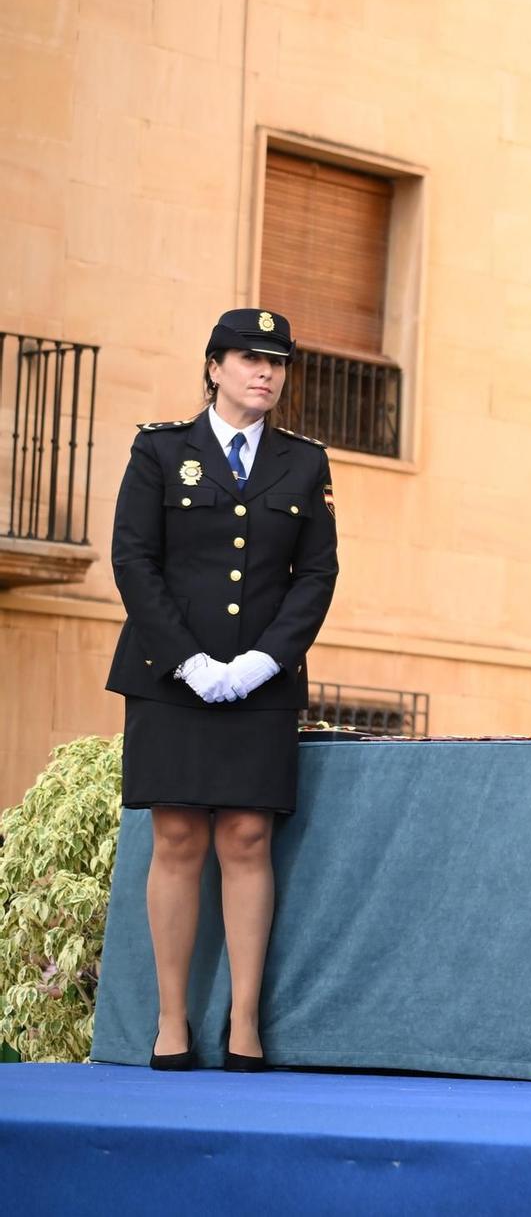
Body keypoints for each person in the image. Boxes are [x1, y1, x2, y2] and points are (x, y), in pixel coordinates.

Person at [105, 308, 339, 1073]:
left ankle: (244, 1021)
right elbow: (133, 559)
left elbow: (317, 574)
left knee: (246, 836)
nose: (265, 372)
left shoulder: (304, 463)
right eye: (249, 358)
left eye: (277, 361)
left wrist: (266, 660)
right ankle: (171, 1020)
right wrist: (189, 660)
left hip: (260, 683)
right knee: (176, 835)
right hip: (169, 676)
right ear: (214, 366)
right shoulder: (160, 450)